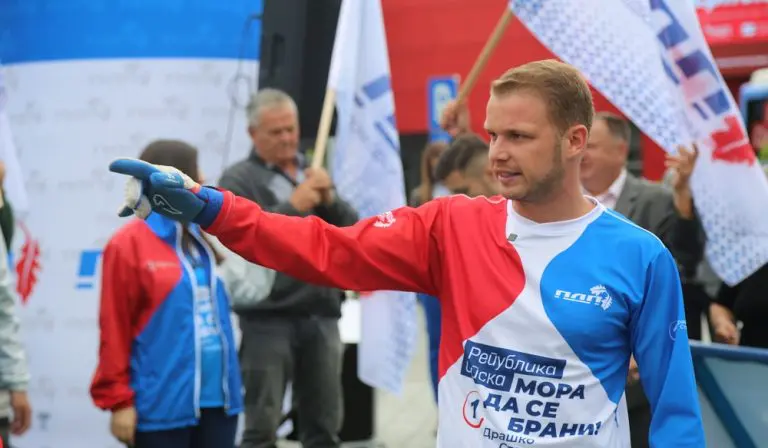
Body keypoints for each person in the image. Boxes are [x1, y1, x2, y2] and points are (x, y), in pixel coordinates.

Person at [109, 59, 705, 447]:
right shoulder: (453, 225)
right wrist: (212, 208)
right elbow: (325, 249)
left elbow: (676, 412)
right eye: (493, 134)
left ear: (577, 141)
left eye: (519, 137)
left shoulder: (640, 257)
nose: (496, 152)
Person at [217, 88, 358, 448]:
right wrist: (292, 206)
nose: (286, 138)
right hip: (268, 319)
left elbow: (354, 233)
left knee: (324, 428)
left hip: (321, 314)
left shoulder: (312, 171)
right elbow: (243, 240)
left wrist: (331, 200)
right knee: (261, 428)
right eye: (275, 132)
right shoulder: (237, 180)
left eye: (290, 129)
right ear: (253, 134)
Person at [90, 140, 243, 448]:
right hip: (162, 405)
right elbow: (115, 327)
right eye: (197, 168)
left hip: (221, 402)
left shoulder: (207, 237)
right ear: (176, 175)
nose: (203, 176)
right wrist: (119, 401)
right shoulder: (127, 244)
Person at [409, 141, 450, 207]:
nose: (440, 160)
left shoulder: (461, 190)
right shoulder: (418, 195)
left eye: (443, 155)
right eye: (436, 156)